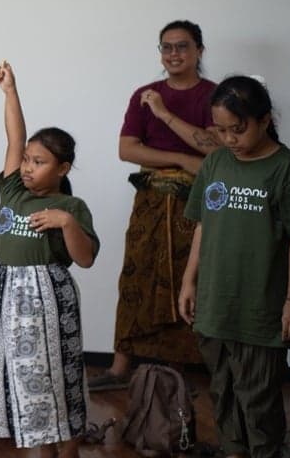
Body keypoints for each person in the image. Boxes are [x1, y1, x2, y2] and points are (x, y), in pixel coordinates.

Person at [179, 75, 290, 458]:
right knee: (222, 391)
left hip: (261, 308)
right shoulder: (216, 163)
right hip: (215, 302)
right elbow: (203, 226)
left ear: (264, 119)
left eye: (237, 130)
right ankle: (232, 451)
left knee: (259, 398)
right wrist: (189, 282)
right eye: (220, 131)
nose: (228, 140)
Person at [91, 20, 218, 390]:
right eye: (166, 47)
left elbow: (215, 149)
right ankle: (120, 368)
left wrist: (164, 115)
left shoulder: (213, 96)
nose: (173, 54)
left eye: (182, 46)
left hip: (196, 204)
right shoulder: (143, 93)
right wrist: (178, 159)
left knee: (192, 277)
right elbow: (126, 149)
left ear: (199, 51)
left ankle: (191, 366)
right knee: (137, 273)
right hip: (150, 199)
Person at [0, 62, 99, 456]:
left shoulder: (70, 205)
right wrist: (11, 91)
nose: (29, 167)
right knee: (22, 373)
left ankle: (66, 448)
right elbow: (14, 137)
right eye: (29, 160)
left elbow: (85, 260)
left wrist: (65, 223)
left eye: (40, 162)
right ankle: (41, 447)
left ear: (63, 168)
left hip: (47, 294)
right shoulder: (14, 191)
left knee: (56, 374)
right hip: (7, 291)